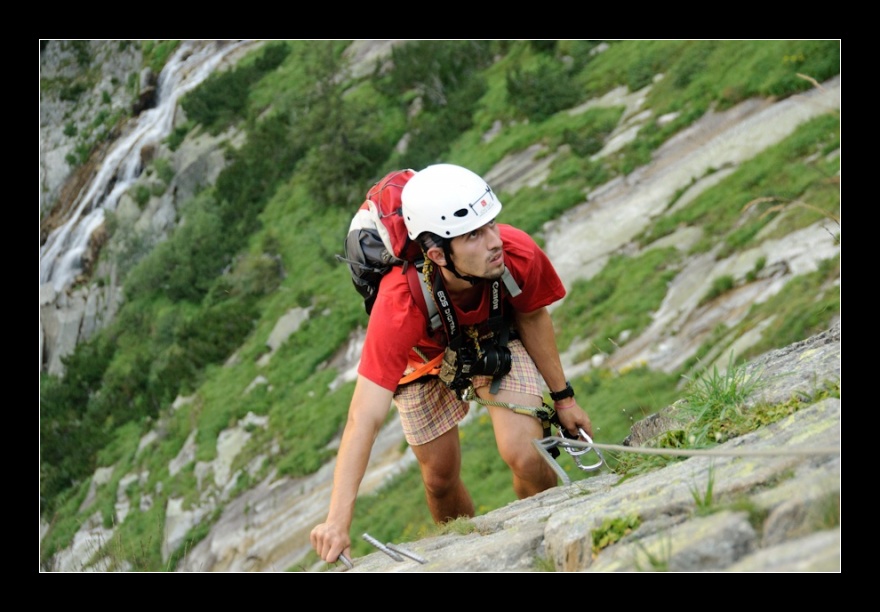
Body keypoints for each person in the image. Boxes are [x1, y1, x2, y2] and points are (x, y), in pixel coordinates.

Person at [310, 163, 594, 565]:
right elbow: (364, 416)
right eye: (474, 235)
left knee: (528, 453)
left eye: (491, 224)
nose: (495, 241)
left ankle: (555, 538)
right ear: (437, 253)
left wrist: (564, 400)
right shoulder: (399, 302)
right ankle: (462, 558)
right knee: (439, 479)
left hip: (491, 330)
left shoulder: (515, 254)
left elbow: (531, 316)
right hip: (422, 354)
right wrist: (337, 522)